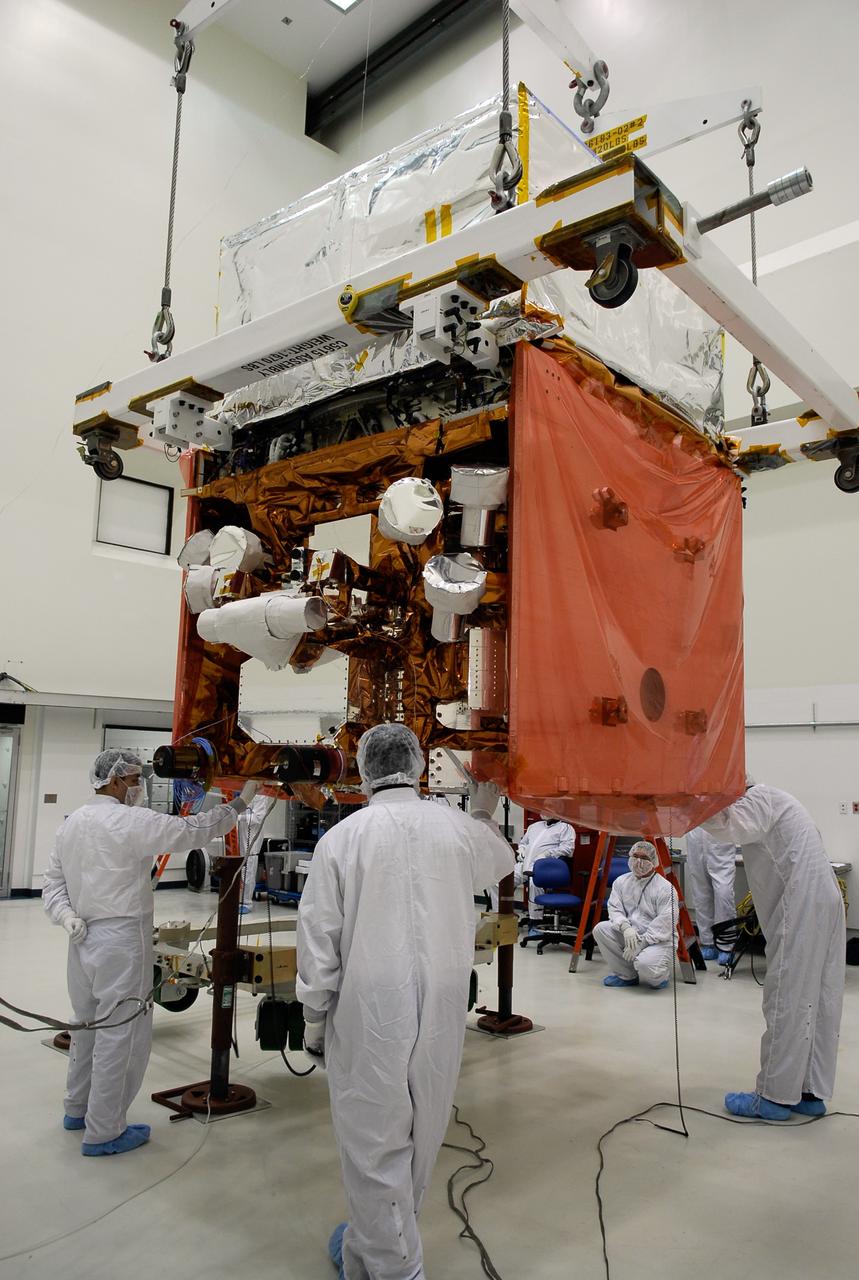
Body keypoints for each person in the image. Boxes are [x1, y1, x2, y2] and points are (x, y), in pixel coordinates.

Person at [296, 723, 514, 1280]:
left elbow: (319, 937)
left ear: (363, 771)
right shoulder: (455, 828)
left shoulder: (343, 839)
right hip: (444, 1000)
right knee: (424, 1124)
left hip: (371, 1006)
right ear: (419, 768)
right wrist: (484, 812)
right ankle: (380, 1242)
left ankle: (393, 1266)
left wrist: (315, 1018)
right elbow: (501, 860)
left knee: (374, 1140)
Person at [42, 749, 258, 1157]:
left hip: (81, 939)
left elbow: (52, 886)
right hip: (122, 940)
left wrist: (67, 917)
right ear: (117, 781)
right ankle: (104, 1130)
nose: (140, 787)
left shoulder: (71, 824)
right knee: (120, 1035)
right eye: (136, 779)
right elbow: (191, 831)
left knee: (85, 1025)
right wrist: (241, 803)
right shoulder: (129, 822)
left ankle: (76, 1109)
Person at [702, 776, 846, 1121]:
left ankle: (775, 1096)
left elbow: (727, 826)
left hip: (801, 906)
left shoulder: (757, 799)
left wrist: (686, 804)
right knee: (819, 998)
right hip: (824, 900)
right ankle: (809, 1091)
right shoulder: (779, 799)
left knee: (787, 994)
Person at [592, 841, 678, 989]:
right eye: (635, 856)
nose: (638, 861)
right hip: (631, 934)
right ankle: (626, 975)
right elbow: (614, 908)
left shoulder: (665, 888)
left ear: (654, 861)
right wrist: (625, 928)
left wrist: (642, 943)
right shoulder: (621, 881)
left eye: (644, 858)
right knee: (600, 929)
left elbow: (664, 923)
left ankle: (661, 977)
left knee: (646, 965)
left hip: (659, 939)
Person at [685, 826, 739, 964]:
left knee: (723, 891)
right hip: (695, 831)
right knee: (700, 893)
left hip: (719, 830)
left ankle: (726, 946)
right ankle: (708, 942)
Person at [515, 813, 575, 932]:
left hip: (543, 868)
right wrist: (521, 851)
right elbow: (523, 842)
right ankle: (502, 915)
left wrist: (548, 854)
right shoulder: (534, 826)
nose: (544, 812)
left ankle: (535, 922)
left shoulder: (565, 828)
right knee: (501, 881)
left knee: (534, 884)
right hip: (524, 864)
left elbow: (568, 849)